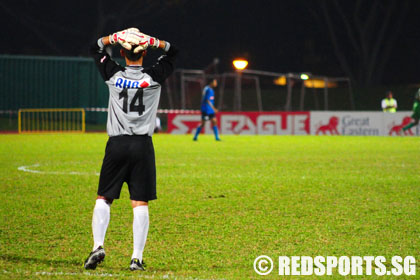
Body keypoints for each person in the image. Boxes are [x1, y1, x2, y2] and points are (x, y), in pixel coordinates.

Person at [83, 27, 178, 271]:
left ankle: (98, 246)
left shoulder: (113, 74)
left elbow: (95, 47)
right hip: (142, 145)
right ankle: (136, 258)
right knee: (140, 202)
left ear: (123, 54)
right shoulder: (154, 76)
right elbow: (173, 53)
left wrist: (113, 38)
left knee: (104, 197)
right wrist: (155, 41)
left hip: (116, 144)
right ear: (144, 54)